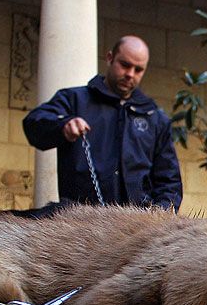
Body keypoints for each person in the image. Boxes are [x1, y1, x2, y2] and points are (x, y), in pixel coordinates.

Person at [23, 35, 182, 211]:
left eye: (138, 70)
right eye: (125, 65)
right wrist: (62, 126)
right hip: (80, 223)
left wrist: (160, 215)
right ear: (109, 58)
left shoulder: (155, 119)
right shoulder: (74, 100)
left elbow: (169, 182)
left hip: (137, 228)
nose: (130, 74)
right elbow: (33, 125)